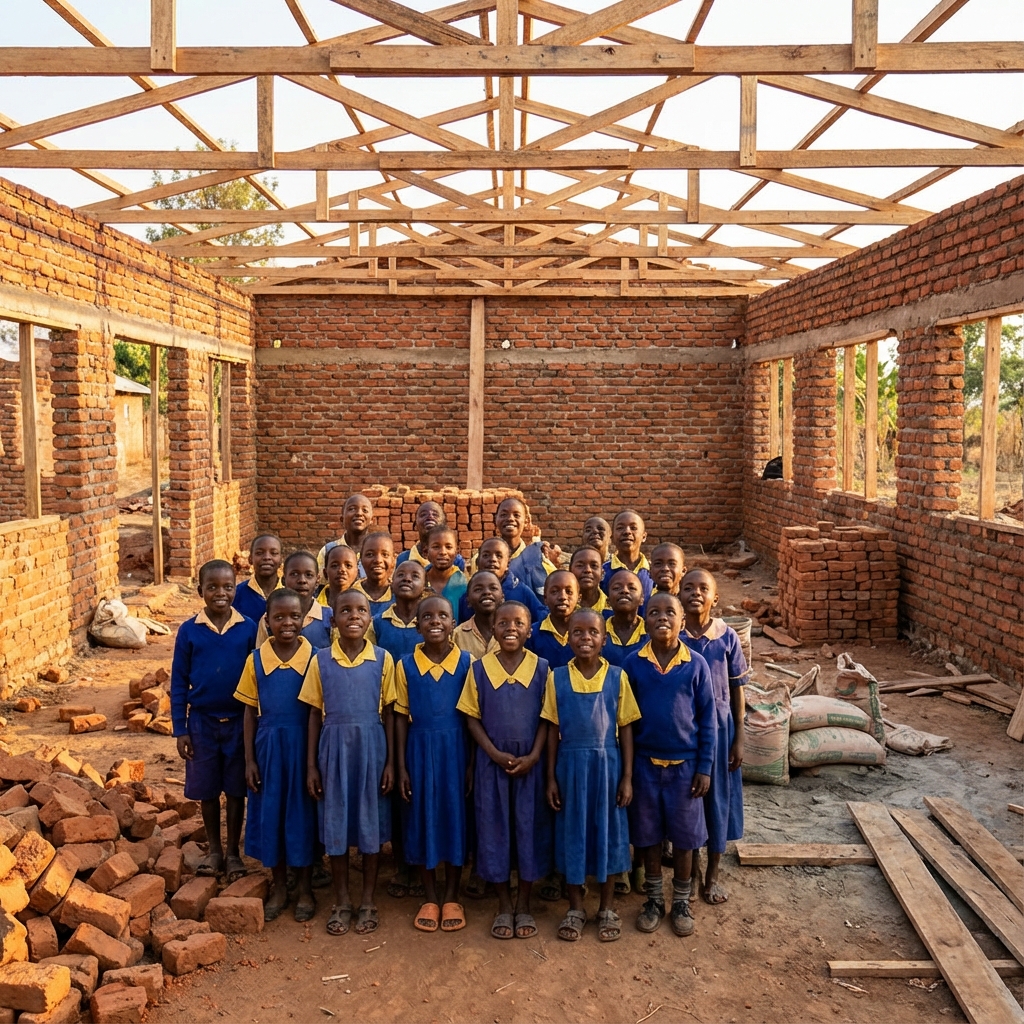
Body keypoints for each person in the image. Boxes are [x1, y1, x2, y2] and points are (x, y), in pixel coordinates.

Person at [301, 589, 395, 937]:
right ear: (333, 619)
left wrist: (391, 765)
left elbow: (390, 713)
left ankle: (368, 899)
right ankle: (342, 900)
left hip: (372, 750)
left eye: (361, 610)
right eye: (345, 610)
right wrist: (312, 765)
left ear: (370, 619)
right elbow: (313, 713)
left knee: (370, 824)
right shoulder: (320, 660)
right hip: (333, 750)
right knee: (336, 823)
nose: (353, 616)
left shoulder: (383, 659)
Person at [624, 593, 716, 938]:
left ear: (682, 621)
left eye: (670, 612)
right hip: (646, 765)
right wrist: (628, 773)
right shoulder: (634, 664)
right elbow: (627, 724)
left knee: (685, 838)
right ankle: (652, 900)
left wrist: (704, 767)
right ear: (644, 620)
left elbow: (708, 721)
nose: (662, 617)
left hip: (686, 768)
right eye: (654, 612)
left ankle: (680, 901)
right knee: (647, 838)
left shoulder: (696, 665)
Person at [542, 609, 638, 943]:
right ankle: (576, 907)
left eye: (592, 633)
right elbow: (552, 729)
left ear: (604, 639)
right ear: (568, 638)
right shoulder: (556, 677)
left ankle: (607, 907)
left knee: (608, 832)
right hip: (570, 766)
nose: (585, 639)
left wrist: (627, 776)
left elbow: (625, 728)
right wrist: (552, 777)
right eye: (578, 632)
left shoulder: (617, 676)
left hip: (607, 765)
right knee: (572, 832)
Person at [457, 601, 551, 940]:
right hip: (491, 763)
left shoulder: (542, 669)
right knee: (493, 829)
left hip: (530, 765)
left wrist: (535, 755)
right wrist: (493, 753)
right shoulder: (479, 669)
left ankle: (523, 903)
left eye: (519, 623)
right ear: (493, 630)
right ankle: (502, 903)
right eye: (503, 622)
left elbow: (547, 718)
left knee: (528, 828)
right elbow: (471, 716)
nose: (511, 628)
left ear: (529, 630)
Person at [171, 559, 257, 882]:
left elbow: (255, 679)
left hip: (238, 721)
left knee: (236, 788)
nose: (220, 593)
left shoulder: (248, 628)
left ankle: (233, 852)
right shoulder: (189, 631)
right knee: (207, 788)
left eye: (228, 587)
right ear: (200, 591)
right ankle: (214, 850)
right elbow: (178, 681)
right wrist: (181, 729)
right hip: (202, 723)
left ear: (236, 590)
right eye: (212, 587)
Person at [235, 588, 317, 922]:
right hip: (269, 749)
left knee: (303, 816)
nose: (287, 623)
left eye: (294, 617)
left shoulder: (315, 659)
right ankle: (280, 886)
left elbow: (316, 713)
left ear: (303, 620)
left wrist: (314, 762)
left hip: (303, 747)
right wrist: (250, 759)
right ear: (266, 621)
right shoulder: (255, 660)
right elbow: (249, 712)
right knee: (273, 815)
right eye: (279, 617)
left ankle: (306, 887)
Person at [395, 596, 472, 934]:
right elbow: (398, 718)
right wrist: (400, 766)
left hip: (456, 749)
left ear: (454, 623)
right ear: (417, 624)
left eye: (443, 615)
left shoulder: (468, 663)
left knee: (455, 817)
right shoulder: (405, 665)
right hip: (419, 749)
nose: (435, 621)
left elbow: (472, 718)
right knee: (422, 815)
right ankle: (429, 895)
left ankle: (452, 895)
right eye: (427, 616)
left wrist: (471, 764)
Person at [680, 569, 748, 906]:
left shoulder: (727, 637)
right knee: (689, 799)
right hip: (685, 729)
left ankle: (713, 875)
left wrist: (739, 737)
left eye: (703, 588)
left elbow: (737, 690)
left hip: (721, 729)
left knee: (718, 799)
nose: (695, 593)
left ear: (715, 598)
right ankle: (690, 876)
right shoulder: (673, 636)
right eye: (688, 587)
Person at [458, 537, 546, 624]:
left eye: (499, 556)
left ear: (508, 564)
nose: (492, 559)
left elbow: (541, 620)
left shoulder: (521, 591)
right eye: (486, 555)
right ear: (477, 562)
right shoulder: (469, 595)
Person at [258, 551, 332, 649]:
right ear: (284, 580)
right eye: (294, 574)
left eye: (309, 575)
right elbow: (261, 656)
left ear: (317, 580)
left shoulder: (330, 617)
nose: (302, 580)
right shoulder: (268, 620)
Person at [369, 560, 426, 661]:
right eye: (401, 575)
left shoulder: (429, 623)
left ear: (424, 587)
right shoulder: (377, 623)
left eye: (415, 576)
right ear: (391, 583)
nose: (407, 579)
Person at [496, 497, 549, 598]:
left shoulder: (537, 558)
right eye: (503, 515)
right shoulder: (481, 559)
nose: (510, 518)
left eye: (516, 515)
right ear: (496, 519)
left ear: (526, 521)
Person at [528, 570, 579, 670]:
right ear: (545, 598)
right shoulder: (532, 634)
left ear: (579, 597)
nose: (562, 597)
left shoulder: (586, 634)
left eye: (569, 592)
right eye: (555, 591)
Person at [396, 500, 466, 572]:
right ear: (415, 525)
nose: (430, 516)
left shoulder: (455, 561)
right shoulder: (403, 559)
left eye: (435, 514)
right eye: (423, 514)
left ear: (444, 523)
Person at [601, 510, 653, 606]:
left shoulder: (653, 573)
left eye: (633, 528)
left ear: (644, 536)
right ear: (612, 537)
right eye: (620, 528)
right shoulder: (602, 572)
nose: (627, 532)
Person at [317, 493, 374, 579]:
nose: (359, 513)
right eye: (352, 509)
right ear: (342, 519)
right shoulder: (327, 550)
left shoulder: (377, 552)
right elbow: (320, 586)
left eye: (365, 510)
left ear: (372, 520)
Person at [454, 570, 503, 661]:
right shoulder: (457, 635)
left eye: (493, 588)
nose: (487, 592)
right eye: (478, 589)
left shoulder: (511, 631)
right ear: (468, 600)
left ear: (502, 597)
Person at [232, 534, 282, 622]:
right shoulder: (237, 594)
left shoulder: (290, 592)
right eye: (259, 553)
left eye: (273, 553)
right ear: (250, 559)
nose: (267, 557)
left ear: (281, 559)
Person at [603, 570, 647, 666]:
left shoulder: (651, 633)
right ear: (608, 600)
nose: (624, 591)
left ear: (642, 599)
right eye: (617, 588)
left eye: (632, 588)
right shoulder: (599, 632)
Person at [424, 526, 469, 617]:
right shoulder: (419, 580)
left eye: (448, 547)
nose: (443, 552)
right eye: (436, 547)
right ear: (426, 551)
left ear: (457, 551)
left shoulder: (464, 584)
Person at [351, 531, 396, 617]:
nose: (378, 560)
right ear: (360, 559)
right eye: (370, 554)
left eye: (385, 555)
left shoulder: (400, 596)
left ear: (393, 559)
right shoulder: (350, 594)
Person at [570, 546, 610, 615]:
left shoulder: (610, 606)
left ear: (602, 573)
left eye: (594, 566)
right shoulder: (562, 606)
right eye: (580, 565)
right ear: (570, 571)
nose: (587, 570)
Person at [316, 544, 359, 608]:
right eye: (335, 565)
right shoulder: (314, 604)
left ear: (357, 573)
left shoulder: (365, 602)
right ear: (325, 573)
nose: (342, 570)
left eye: (348, 565)